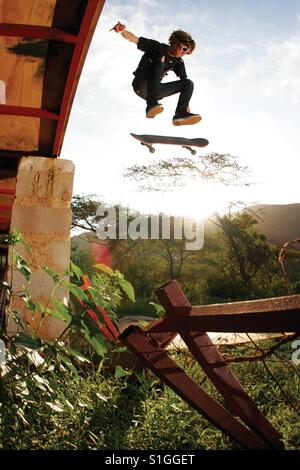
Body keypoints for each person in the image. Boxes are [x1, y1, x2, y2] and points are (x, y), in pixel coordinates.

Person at [110, 21, 201, 126]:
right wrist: (122, 31)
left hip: (155, 90)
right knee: (160, 63)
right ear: (175, 42)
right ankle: (151, 105)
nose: (184, 53)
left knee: (188, 83)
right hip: (141, 84)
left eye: (188, 52)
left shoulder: (178, 62)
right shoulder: (156, 47)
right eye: (184, 49)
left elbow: (184, 83)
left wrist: (185, 107)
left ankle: (180, 113)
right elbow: (134, 39)